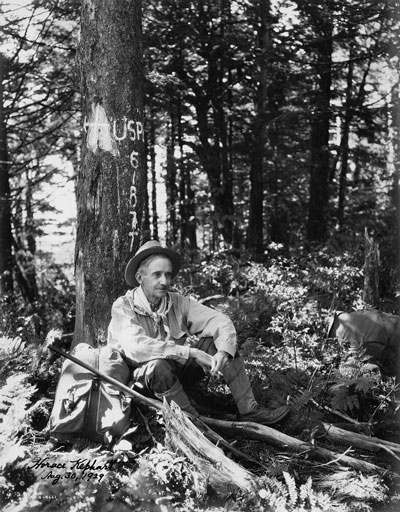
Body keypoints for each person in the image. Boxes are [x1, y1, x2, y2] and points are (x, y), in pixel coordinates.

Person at [107, 240, 290, 425]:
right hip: (141, 385)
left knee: (218, 342)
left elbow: (219, 321)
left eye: (168, 275)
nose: (165, 281)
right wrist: (191, 352)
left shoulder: (177, 302)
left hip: (175, 376)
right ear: (140, 277)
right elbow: (136, 347)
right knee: (159, 367)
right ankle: (195, 423)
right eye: (157, 275)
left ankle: (249, 410)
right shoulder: (123, 306)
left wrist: (223, 352)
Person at [327, 309, 400, 377]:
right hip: (394, 322)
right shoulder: (355, 314)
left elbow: (376, 353)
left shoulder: (343, 332)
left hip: (388, 340)